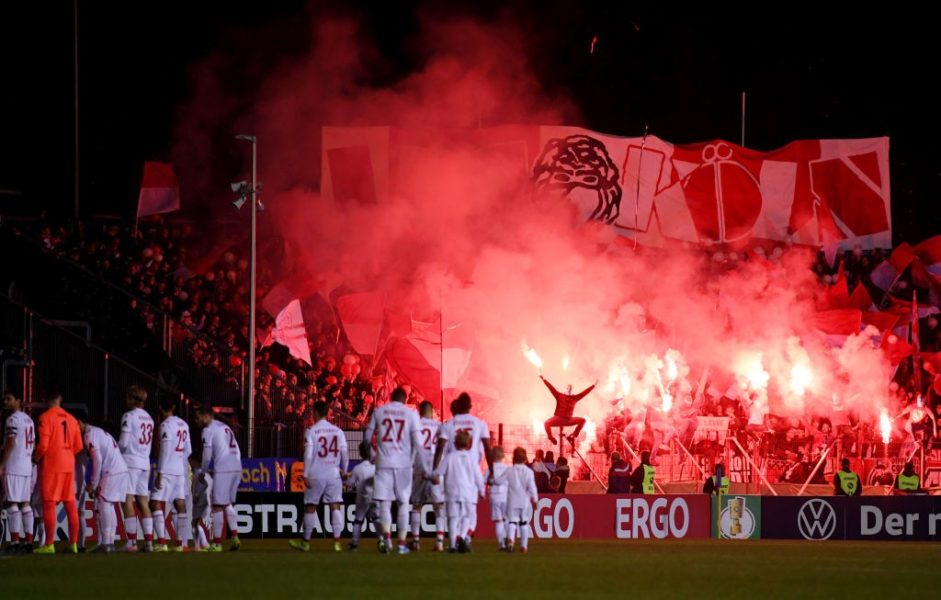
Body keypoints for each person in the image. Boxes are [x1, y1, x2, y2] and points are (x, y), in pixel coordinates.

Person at [364, 386, 421, 554]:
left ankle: (387, 540)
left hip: (383, 462)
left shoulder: (379, 411)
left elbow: (367, 437)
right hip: (404, 464)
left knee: (384, 503)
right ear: (405, 399)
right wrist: (413, 461)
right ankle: (402, 545)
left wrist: (372, 455)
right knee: (403, 503)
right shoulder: (411, 414)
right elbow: (418, 442)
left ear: (391, 397)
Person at [432, 392, 493, 540]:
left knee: (453, 513)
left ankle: (454, 542)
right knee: (469, 510)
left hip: (452, 469)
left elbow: (440, 447)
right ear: (470, 407)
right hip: (471, 469)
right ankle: (465, 537)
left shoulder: (449, 424)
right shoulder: (480, 423)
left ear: (458, 406)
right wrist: (492, 470)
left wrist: (435, 471)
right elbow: (487, 447)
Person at [290, 401, 348, 553]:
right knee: (335, 506)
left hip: (316, 473)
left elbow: (308, 454)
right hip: (334, 474)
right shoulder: (338, 431)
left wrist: (306, 473)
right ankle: (337, 543)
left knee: (310, 507)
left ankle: (306, 543)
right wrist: (344, 470)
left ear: (315, 413)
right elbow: (345, 454)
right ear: (328, 412)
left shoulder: (311, 431)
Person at [34, 391, 83, 554]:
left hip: (52, 465)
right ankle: (73, 543)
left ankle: (49, 544)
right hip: (69, 464)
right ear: (60, 399)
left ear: (46, 399)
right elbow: (78, 446)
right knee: (70, 503)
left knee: (49, 503)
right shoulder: (72, 419)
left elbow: (43, 445)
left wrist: (36, 458)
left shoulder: (45, 417)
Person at [196, 405, 242, 551]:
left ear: (206, 416)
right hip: (236, 466)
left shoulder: (207, 430)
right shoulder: (224, 426)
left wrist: (203, 471)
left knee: (216, 505)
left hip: (224, 468)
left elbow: (207, 455)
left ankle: (216, 544)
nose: (196, 421)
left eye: (198, 418)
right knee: (227, 503)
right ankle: (234, 537)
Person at [79, 418, 128, 553]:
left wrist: (93, 484)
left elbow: (97, 460)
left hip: (112, 471)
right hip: (120, 469)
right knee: (109, 505)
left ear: (79, 421)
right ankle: (110, 542)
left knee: (104, 503)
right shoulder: (98, 431)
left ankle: (106, 544)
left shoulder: (89, 434)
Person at [433, 430, 485, 553]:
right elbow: (478, 476)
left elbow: (439, 473)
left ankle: (452, 545)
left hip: (452, 492)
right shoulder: (472, 459)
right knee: (466, 517)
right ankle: (461, 537)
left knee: (452, 518)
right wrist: (482, 491)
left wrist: (432, 477)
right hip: (467, 493)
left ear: (455, 443)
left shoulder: (449, 457)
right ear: (468, 444)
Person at [151, 399, 192, 551]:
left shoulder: (165, 425)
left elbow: (165, 449)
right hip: (180, 470)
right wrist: (179, 460)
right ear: (173, 407)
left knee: (154, 503)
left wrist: (160, 472)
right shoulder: (184, 424)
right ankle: (180, 544)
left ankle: (162, 543)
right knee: (180, 504)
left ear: (161, 407)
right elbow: (188, 450)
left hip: (167, 470)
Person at [119, 385, 155, 551]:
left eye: (127, 397)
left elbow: (124, 443)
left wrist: (115, 452)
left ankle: (132, 542)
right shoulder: (149, 418)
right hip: (145, 463)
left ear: (132, 399)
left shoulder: (129, 416)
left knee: (127, 500)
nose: (126, 400)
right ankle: (149, 543)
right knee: (143, 501)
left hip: (131, 462)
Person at [1, 390, 36, 553]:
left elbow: (10, 442)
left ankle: (15, 542)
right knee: (26, 504)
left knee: (12, 503)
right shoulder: (29, 420)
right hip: (27, 466)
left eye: (9, 399)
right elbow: (33, 443)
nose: (6, 402)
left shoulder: (12, 420)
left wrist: (1, 464)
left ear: (19, 400)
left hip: (14, 465)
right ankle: (29, 542)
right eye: (5, 399)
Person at [409, 400, 445, 552]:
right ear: (432, 411)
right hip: (435, 467)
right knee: (439, 506)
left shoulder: (415, 425)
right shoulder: (439, 426)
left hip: (419, 467)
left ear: (419, 410)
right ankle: (440, 542)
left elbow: (411, 447)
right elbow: (444, 447)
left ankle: (416, 541)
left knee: (417, 505)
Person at [494, 447, 539, 553]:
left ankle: (510, 540)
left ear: (514, 458)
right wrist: (535, 500)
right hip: (524, 502)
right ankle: (524, 546)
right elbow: (532, 487)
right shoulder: (529, 472)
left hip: (512, 501)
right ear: (525, 459)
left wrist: (492, 479)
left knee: (512, 522)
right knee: (524, 523)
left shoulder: (509, 470)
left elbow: (499, 481)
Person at [539, 374, 596, 444]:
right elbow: (551, 388)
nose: (569, 390)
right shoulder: (559, 396)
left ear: (571, 390)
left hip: (568, 420)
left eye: (570, 389)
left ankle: (573, 436)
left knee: (582, 420)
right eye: (568, 388)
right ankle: (551, 438)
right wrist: (544, 379)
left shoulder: (574, 398)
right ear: (565, 389)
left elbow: (584, 393)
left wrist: (593, 385)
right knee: (546, 423)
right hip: (558, 418)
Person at [346, 441, 376, 551]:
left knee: (358, 520)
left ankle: (354, 543)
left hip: (362, 497)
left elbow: (349, 483)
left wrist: (345, 477)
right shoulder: (375, 468)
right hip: (374, 496)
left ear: (360, 453)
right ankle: (382, 540)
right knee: (376, 518)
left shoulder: (357, 469)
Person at [489, 446, 509, 550]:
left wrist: (491, 481)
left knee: (498, 521)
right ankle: (509, 541)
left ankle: (501, 544)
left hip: (494, 496)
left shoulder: (490, 467)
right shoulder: (507, 468)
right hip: (505, 496)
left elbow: (485, 480)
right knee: (507, 520)